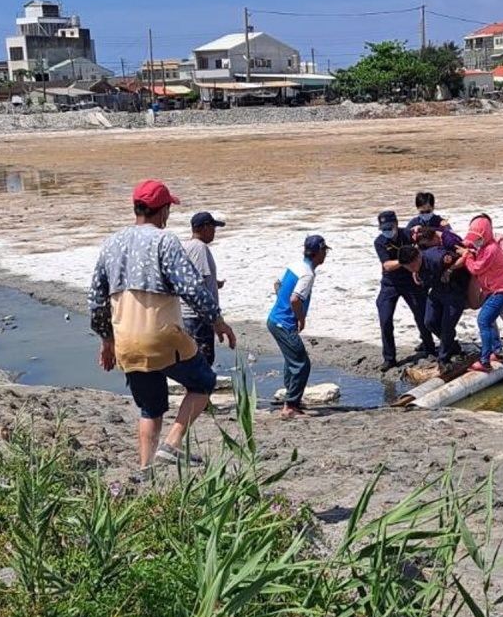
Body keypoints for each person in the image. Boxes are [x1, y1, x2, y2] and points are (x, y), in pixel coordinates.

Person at [88, 179, 237, 477]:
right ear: (164, 210)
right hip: (161, 334)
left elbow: (95, 299)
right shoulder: (164, 241)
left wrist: (107, 341)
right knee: (203, 382)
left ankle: (146, 472)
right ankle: (172, 444)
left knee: (150, 408)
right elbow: (191, 287)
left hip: (126, 340)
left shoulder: (111, 243)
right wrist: (216, 319)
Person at [267, 235, 329, 418]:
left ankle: (291, 399)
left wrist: (281, 302)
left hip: (275, 320)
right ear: (319, 253)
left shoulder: (295, 265)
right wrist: (301, 319)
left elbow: (277, 283)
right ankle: (290, 407)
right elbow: (295, 299)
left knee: (292, 360)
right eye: (324, 251)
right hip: (283, 323)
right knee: (301, 363)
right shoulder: (307, 273)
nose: (325, 254)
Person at [375, 210, 436, 372]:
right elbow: (387, 265)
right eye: (384, 229)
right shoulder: (380, 242)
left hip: (411, 281)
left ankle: (430, 347)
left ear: (396, 224)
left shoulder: (408, 235)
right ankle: (389, 358)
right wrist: (405, 260)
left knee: (422, 315)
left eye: (389, 227)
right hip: (390, 284)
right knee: (385, 319)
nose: (387, 231)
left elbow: (421, 251)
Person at [460, 215, 503, 372]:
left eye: (478, 238)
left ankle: (484, 361)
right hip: (494, 289)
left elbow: (476, 269)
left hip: (502, 291)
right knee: (490, 321)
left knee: (483, 321)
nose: (475, 241)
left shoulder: (491, 249)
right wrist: (468, 250)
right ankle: (498, 352)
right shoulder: (484, 246)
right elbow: (468, 244)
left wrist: (467, 257)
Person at [412, 226, 469, 371]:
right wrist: (415, 271)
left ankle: (443, 358)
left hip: (454, 288)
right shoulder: (423, 249)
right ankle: (450, 344)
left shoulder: (445, 245)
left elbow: (465, 256)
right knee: (429, 322)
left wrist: (450, 270)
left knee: (447, 325)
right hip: (437, 289)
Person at [181, 211, 227, 365]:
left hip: (185, 314)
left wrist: (215, 283)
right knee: (204, 362)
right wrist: (215, 318)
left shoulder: (185, 246)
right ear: (205, 227)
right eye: (213, 227)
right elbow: (197, 284)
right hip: (198, 317)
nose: (214, 232)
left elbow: (187, 278)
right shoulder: (200, 248)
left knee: (191, 361)